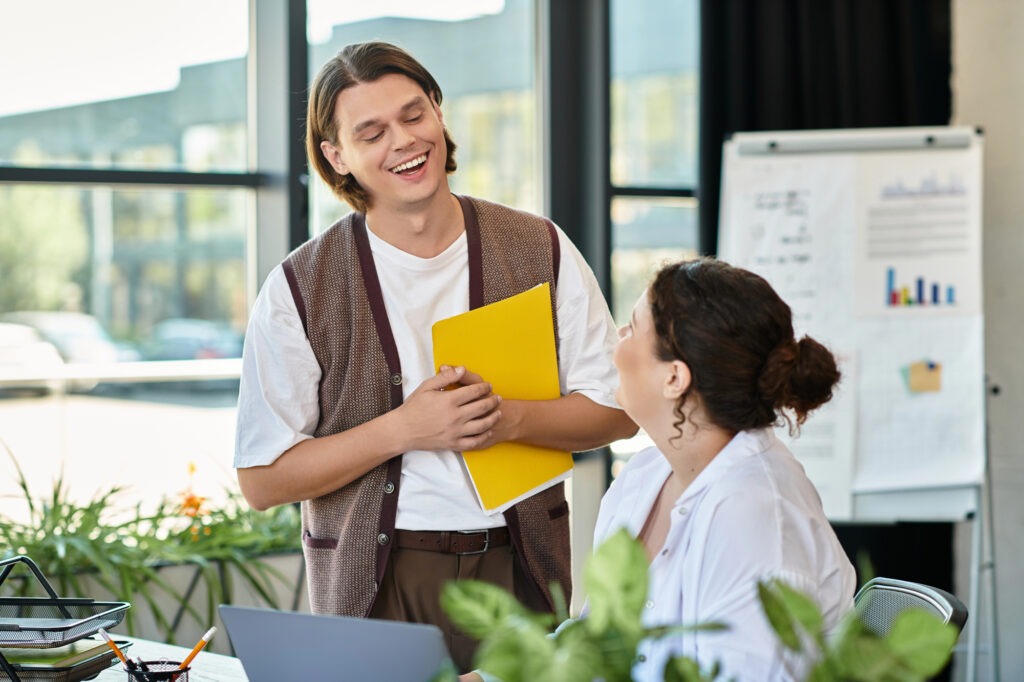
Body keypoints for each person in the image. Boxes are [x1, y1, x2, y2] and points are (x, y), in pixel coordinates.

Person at [232, 41, 636, 672]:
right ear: (338, 157)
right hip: (377, 579)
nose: (403, 141)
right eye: (371, 132)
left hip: (520, 565)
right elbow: (261, 480)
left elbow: (618, 411)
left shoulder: (540, 248)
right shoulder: (298, 286)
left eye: (413, 115)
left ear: (439, 115)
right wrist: (403, 430)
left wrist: (509, 421)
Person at [465, 257, 856, 681]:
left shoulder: (756, 518)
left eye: (632, 328)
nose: (618, 339)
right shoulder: (646, 475)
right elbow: (598, 640)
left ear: (674, 378)